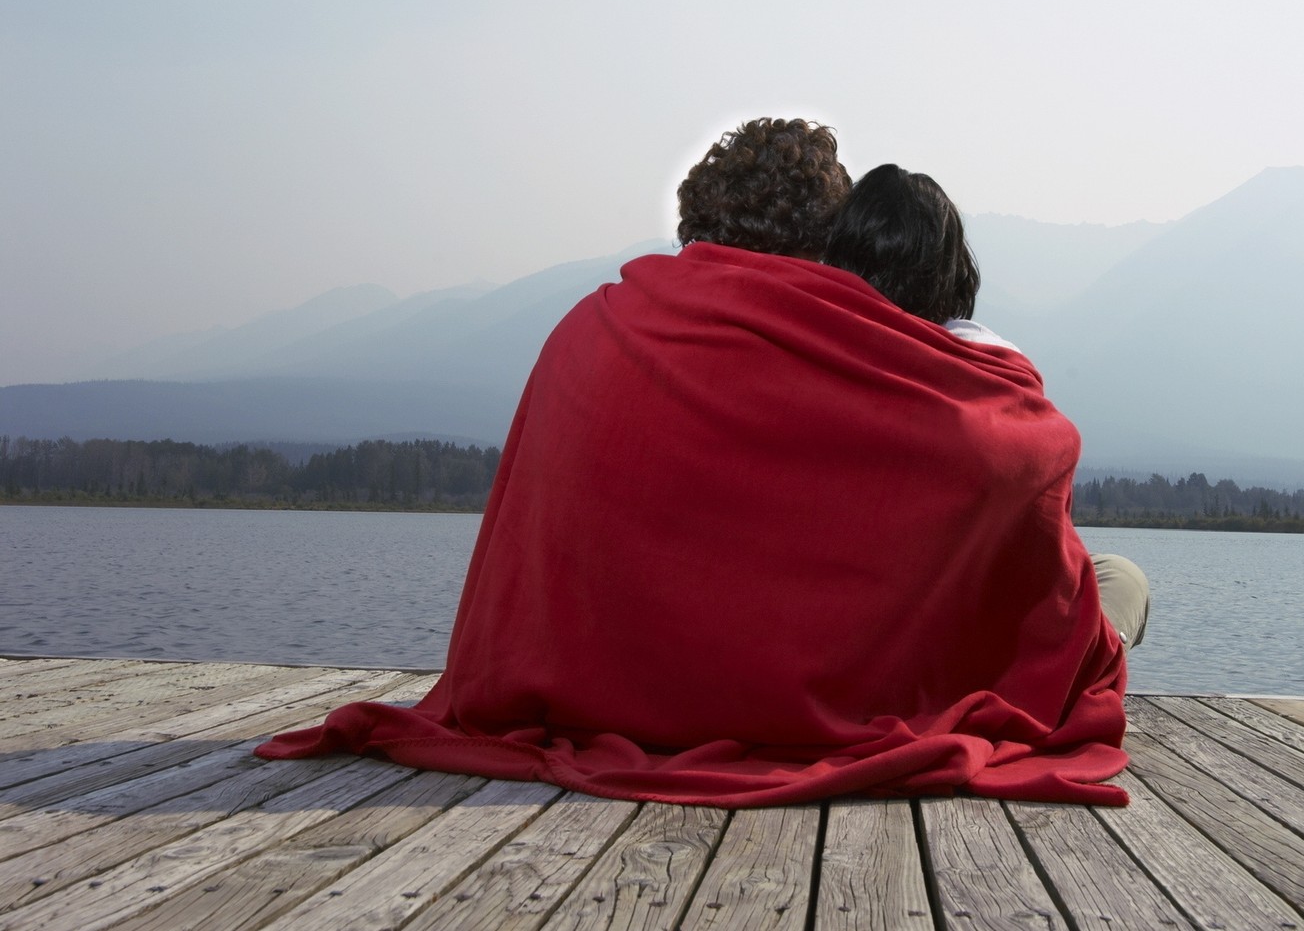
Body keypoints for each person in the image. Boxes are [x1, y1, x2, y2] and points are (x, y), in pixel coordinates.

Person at [256, 118, 1133, 807]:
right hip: (802, 696)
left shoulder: (594, 325)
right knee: (1107, 585)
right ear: (823, 245)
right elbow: (1029, 451)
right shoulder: (853, 362)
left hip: (583, 698)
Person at [824, 163, 1149, 650]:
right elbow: (1045, 547)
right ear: (951, 268)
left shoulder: (816, 355)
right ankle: (1094, 664)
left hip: (853, 626)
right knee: (1122, 576)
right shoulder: (1000, 378)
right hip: (965, 640)